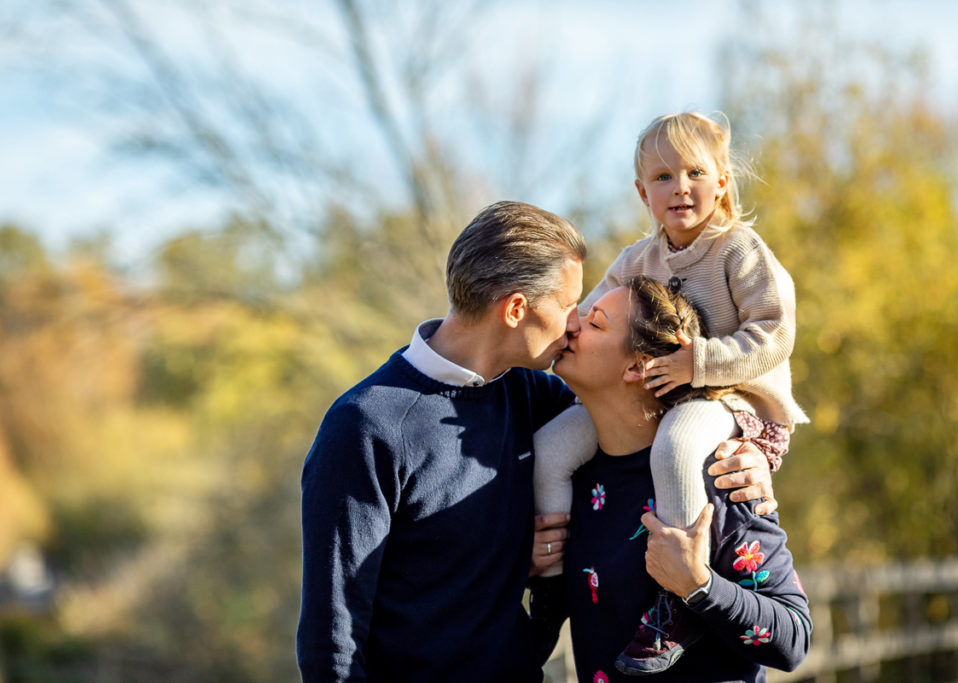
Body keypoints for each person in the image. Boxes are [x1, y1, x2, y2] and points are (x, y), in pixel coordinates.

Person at [297, 200, 777, 682]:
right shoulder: (365, 427)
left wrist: (748, 438)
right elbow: (332, 640)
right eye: (570, 306)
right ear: (516, 310)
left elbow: (639, 406)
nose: (576, 322)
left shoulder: (532, 395)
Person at [533, 112, 808, 674]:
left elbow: (774, 333)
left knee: (676, 448)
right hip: (663, 393)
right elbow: (584, 315)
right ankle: (551, 565)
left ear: (723, 181)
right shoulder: (637, 262)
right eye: (662, 177)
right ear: (642, 193)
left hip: (729, 401)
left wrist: (699, 362)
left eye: (694, 172)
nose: (679, 186)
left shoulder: (739, 251)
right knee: (551, 448)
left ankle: (674, 603)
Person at [531, 276, 811, 682]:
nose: (572, 325)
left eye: (596, 323)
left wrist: (698, 586)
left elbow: (793, 640)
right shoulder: (574, 482)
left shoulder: (718, 474)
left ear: (638, 366)